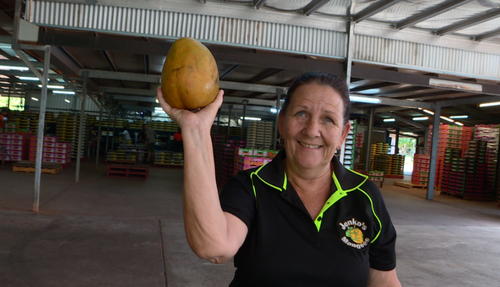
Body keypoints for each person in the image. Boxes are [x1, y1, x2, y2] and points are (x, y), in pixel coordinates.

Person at [156, 71, 401, 287]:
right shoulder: (250, 186)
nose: (312, 130)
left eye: (328, 119)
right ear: (282, 123)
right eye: (301, 114)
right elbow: (214, 247)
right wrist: (195, 130)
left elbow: (383, 280)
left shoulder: (366, 196)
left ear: (343, 135)